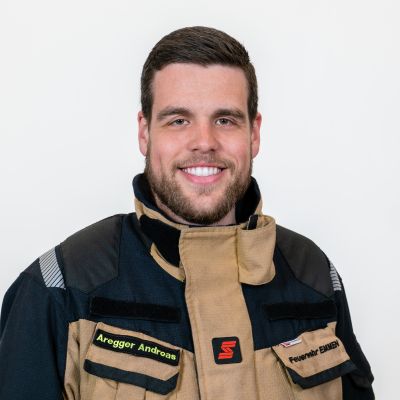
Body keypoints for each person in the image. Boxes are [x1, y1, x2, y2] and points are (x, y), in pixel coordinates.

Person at [0, 26, 374, 400]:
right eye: (178, 120)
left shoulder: (313, 275)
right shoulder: (62, 285)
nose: (204, 142)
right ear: (145, 132)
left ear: (254, 134)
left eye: (225, 120)